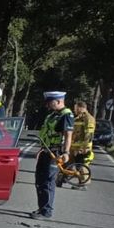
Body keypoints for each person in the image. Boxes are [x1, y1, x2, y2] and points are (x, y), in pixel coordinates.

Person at [30, 90, 74, 219]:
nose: (48, 105)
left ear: (59, 101)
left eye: (50, 102)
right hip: (46, 150)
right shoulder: (52, 115)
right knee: (40, 180)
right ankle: (41, 208)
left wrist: (66, 152)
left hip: (56, 153)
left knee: (48, 181)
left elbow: (68, 135)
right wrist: (41, 149)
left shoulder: (66, 115)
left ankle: (46, 211)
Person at [67, 99, 96, 189]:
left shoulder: (88, 118)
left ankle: (83, 183)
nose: (74, 110)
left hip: (82, 147)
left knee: (81, 164)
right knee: (71, 163)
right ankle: (67, 178)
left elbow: (89, 134)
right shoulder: (78, 118)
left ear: (81, 108)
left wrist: (84, 147)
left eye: (76, 108)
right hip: (74, 147)